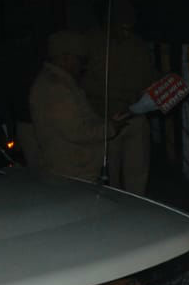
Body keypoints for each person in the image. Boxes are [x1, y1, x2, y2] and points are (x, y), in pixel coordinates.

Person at [84, 0, 159, 195]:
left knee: (138, 175)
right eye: (121, 13)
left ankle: (138, 214)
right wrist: (119, 95)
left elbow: (149, 78)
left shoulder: (138, 45)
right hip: (106, 118)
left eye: (130, 13)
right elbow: (84, 84)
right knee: (110, 178)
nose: (128, 18)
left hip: (136, 118)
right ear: (107, 16)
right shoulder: (91, 44)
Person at [28, 30, 127, 181]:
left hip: (71, 168)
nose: (82, 66)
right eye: (80, 59)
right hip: (73, 171)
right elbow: (77, 131)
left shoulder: (59, 82)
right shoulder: (56, 87)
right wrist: (111, 128)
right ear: (65, 57)